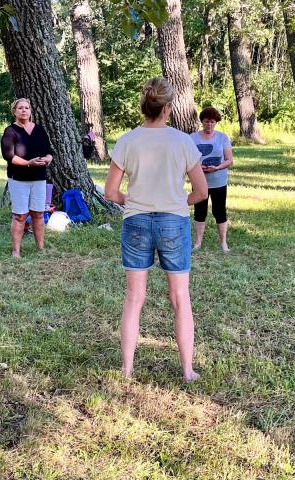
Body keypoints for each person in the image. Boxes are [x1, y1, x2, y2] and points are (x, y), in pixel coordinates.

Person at [104, 77, 208, 381]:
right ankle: (187, 370)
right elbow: (201, 192)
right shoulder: (183, 141)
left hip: (136, 220)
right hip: (173, 220)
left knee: (134, 297)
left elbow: (110, 192)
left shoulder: (127, 140)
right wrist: (177, 201)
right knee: (180, 297)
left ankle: (126, 369)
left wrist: (133, 201)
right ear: (167, 108)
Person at [0, 98, 53, 258]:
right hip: (19, 179)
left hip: (39, 178)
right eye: (20, 108)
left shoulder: (39, 130)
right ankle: (16, 251)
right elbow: (8, 155)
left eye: (27, 108)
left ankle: (40, 248)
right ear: (14, 111)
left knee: (38, 213)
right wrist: (28, 163)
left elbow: (49, 150)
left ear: (30, 111)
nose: (24, 110)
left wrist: (49, 158)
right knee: (20, 215)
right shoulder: (10, 131)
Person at [190, 106, 234, 252]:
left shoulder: (223, 137)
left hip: (219, 181)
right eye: (207, 121)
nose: (209, 124)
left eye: (212, 122)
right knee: (200, 211)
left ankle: (223, 243)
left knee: (219, 211)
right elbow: (188, 159)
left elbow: (229, 160)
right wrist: (198, 167)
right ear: (202, 121)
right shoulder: (193, 138)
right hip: (200, 181)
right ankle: (198, 242)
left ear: (216, 122)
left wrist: (218, 167)